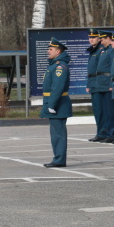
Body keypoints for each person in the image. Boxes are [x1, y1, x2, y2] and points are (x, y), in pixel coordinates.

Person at [41, 38, 72, 168]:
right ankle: (58, 158)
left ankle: (59, 159)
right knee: (55, 133)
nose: (48, 51)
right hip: (53, 102)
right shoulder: (54, 65)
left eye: (51, 49)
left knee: (58, 133)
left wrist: (52, 105)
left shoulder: (60, 67)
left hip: (58, 104)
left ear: (58, 51)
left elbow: (57, 88)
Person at [86, 29, 104, 142]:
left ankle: (103, 132)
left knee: (101, 110)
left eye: (94, 37)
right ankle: (100, 132)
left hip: (99, 84)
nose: (91, 39)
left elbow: (100, 70)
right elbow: (91, 71)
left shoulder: (101, 50)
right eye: (90, 37)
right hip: (93, 83)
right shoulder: (93, 50)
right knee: (97, 110)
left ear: (99, 38)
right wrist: (88, 84)